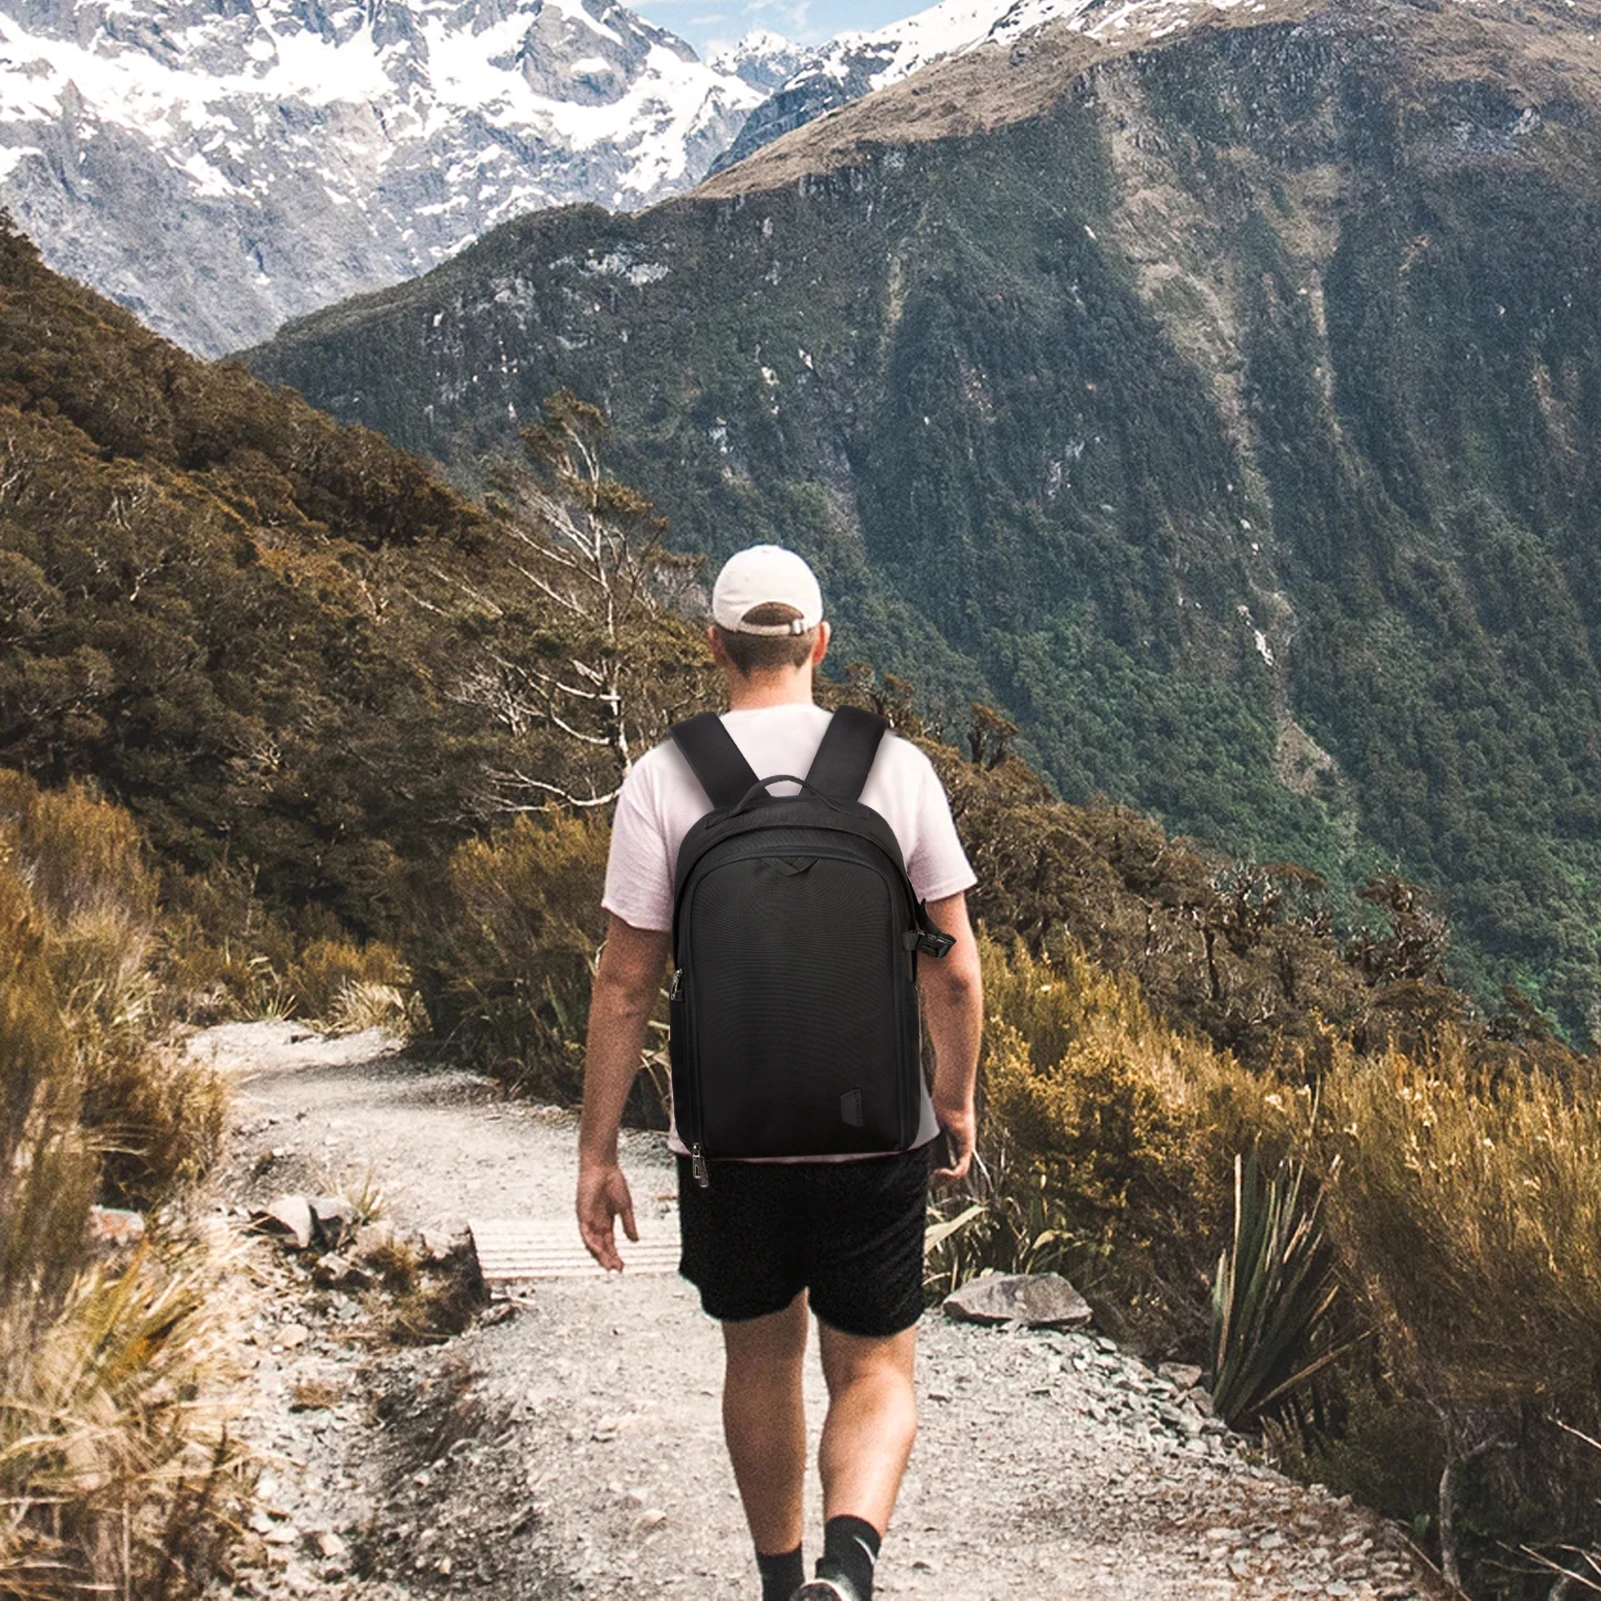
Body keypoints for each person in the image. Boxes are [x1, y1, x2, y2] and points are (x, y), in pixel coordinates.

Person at [576, 544, 984, 1601]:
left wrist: (596, 1153)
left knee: (757, 1361)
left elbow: (623, 982)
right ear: (819, 643)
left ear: (714, 645)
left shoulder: (663, 777)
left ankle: (778, 1582)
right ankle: (845, 1572)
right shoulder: (895, 768)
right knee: (875, 1367)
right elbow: (953, 969)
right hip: (875, 1132)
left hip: (730, 1143)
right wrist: (951, 1098)